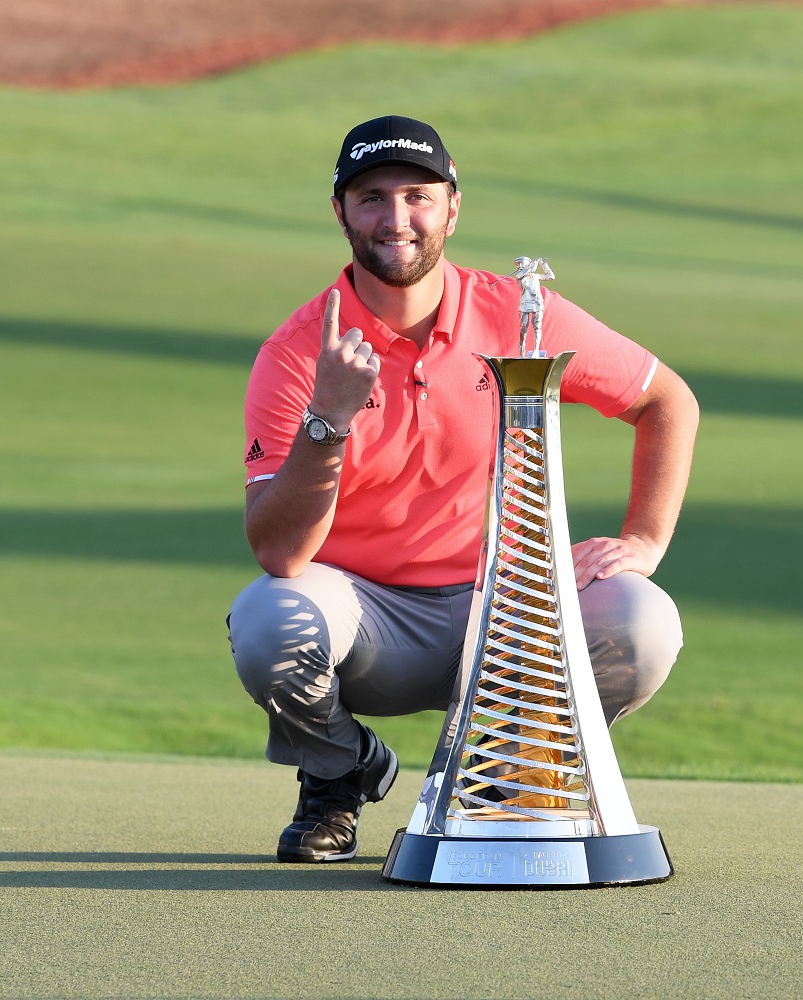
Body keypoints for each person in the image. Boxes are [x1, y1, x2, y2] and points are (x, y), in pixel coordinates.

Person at [228, 115, 699, 863]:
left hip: (512, 616)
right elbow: (278, 551)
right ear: (341, 212)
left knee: (643, 620)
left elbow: (665, 400)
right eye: (373, 197)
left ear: (453, 206)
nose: (396, 218)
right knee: (267, 621)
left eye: (418, 195)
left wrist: (644, 539)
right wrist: (329, 420)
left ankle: (506, 777)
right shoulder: (298, 351)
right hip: (369, 621)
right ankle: (338, 770)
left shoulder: (519, 314)